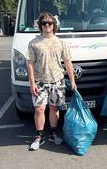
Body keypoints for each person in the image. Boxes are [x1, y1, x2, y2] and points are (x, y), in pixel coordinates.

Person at [26, 13, 76, 151]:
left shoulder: (60, 43)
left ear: (54, 25)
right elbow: (30, 64)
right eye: (44, 23)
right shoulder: (34, 43)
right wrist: (32, 83)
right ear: (40, 26)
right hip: (40, 82)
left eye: (50, 23)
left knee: (54, 108)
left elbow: (67, 62)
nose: (47, 25)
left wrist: (72, 81)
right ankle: (39, 136)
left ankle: (53, 133)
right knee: (39, 109)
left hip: (57, 81)